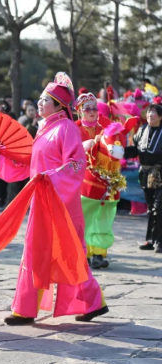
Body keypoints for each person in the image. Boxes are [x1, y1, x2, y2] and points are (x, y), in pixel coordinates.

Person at [0, 73, 109, 325]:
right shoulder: (45, 128)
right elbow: (30, 163)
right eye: (41, 99)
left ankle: (91, 302)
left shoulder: (66, 129)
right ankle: (25, 309)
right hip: (43, 200)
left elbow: (76, 165)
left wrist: (49, 176)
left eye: (45, 100)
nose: (40, 103)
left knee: (70, 253)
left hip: (62, 204)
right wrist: (1, 154)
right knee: (35, 250)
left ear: (59, 106)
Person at [76, 92, 124, 267]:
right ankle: (84, 253)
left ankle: (99, 253)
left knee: (103, 217)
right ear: (79, 111)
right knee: (84, 217)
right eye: (87, 109)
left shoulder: (104, 128)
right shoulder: (73, 128)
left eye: (94, 108)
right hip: (82, 180)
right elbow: (68, 151)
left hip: (106, 181)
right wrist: (88, 144)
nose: (91, 111)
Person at [125, 104, 162, 253]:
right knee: (150, 208)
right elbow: (134, 150)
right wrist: (118, 150)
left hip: (160, 173)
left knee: (159, 208)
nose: (150, 115)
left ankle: (159, 241)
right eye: (149, 112)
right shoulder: (142, 130)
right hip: (146, 174)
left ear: (160, 116)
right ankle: (150, 239)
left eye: (154, 112)